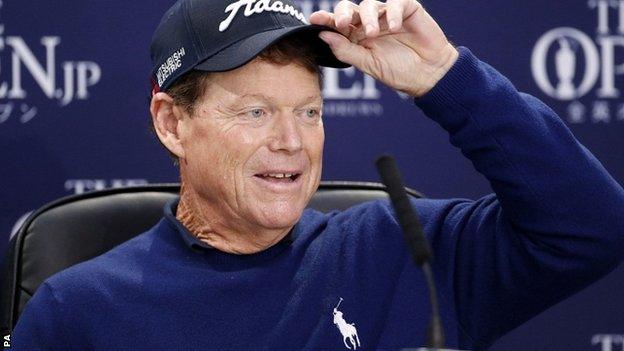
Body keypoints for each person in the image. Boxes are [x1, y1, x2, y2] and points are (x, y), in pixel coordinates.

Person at [11, 0, 624, 349]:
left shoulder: (405, 253)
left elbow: (593, 226)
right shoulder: (78, 312)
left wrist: (446, 76)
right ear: (173, 124)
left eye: (309, 111)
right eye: (256, 112)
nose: (292, 142)